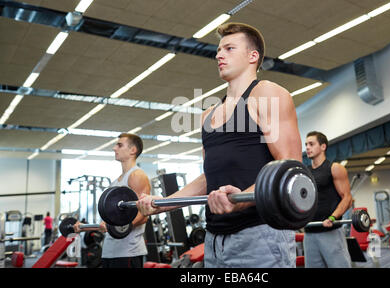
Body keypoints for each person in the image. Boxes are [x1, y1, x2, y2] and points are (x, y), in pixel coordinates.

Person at [137, 22, 303, 268]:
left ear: (252, 56)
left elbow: (290, 170)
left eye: (229, 48)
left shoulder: (267, 95)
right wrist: (162, 203)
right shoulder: (208, 115)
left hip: (260, 235)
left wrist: (240, 198)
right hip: (214, 239)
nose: (218, 55)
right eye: (218, 50)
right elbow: (209, 178)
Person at [74, 133, 150, 268]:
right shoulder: (116, 181)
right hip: (110, 251)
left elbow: (144, 214)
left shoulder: (137, 176)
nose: (114, 148)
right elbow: (109, 222)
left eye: (119, 145)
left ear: (133, 150)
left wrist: (117, 227)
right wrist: (84, 228)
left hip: (128, 252)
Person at [303, 131, 353, 268]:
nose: (307, 147)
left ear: (323, 146)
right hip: (310, 233)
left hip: (330, 231)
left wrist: (332, 218)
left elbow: (347, 198)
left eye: (311, 144)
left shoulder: (334, 168)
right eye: (306, 144)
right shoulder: (304, 172)